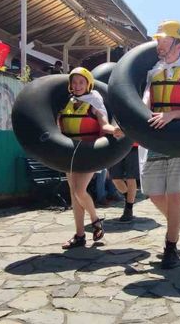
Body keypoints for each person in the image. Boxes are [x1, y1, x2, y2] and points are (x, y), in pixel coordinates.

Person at [141, 20, 180, 269]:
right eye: (159, 40)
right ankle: (175, 227)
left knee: (174, 192)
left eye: (164, 41)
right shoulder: (155, 71)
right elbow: (147, 100)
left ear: (178, 43)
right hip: (157, 138)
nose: (159, 45)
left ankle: (170, 245)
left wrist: (171, 116)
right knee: (153, 192)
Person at [57, 67, 122, 249]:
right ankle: (79, 235)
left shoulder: (94, 102)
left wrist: (114, 130)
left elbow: (104, 123)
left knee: (79, 191)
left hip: (89, 152)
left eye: (81, 82)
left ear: (88, 83)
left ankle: (95, 220)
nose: (77, 86)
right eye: (74, 82)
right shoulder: (68, 103)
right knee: (74, 194)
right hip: (69, 152)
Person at [109, 142, 140, 222]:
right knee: (115, 178)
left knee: (131, 177)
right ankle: (128, 198)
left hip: (133, 144)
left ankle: (129, 209)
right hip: (114, 145)